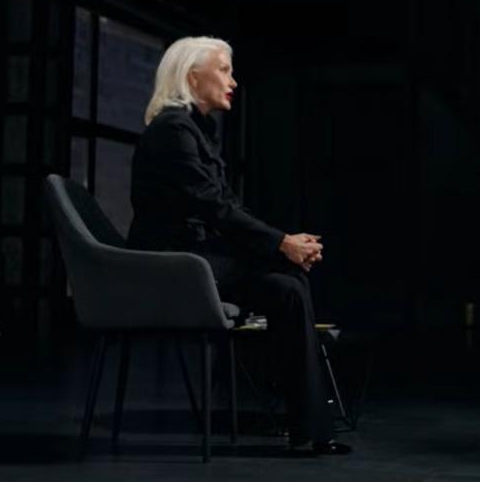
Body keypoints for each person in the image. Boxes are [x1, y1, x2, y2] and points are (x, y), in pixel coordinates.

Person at [128, 36, 350, 455]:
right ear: (193, 76)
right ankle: (304, 415)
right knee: (286, 273)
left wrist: (284, 244)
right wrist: (281, 244)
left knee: (286, 286)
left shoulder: (196, 130)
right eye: (224, 70)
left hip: (197, 260)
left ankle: (308, 425)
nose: (233, 81)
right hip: (172, 266)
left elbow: (227, 205)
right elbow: (213, 207)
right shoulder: (173, 130)